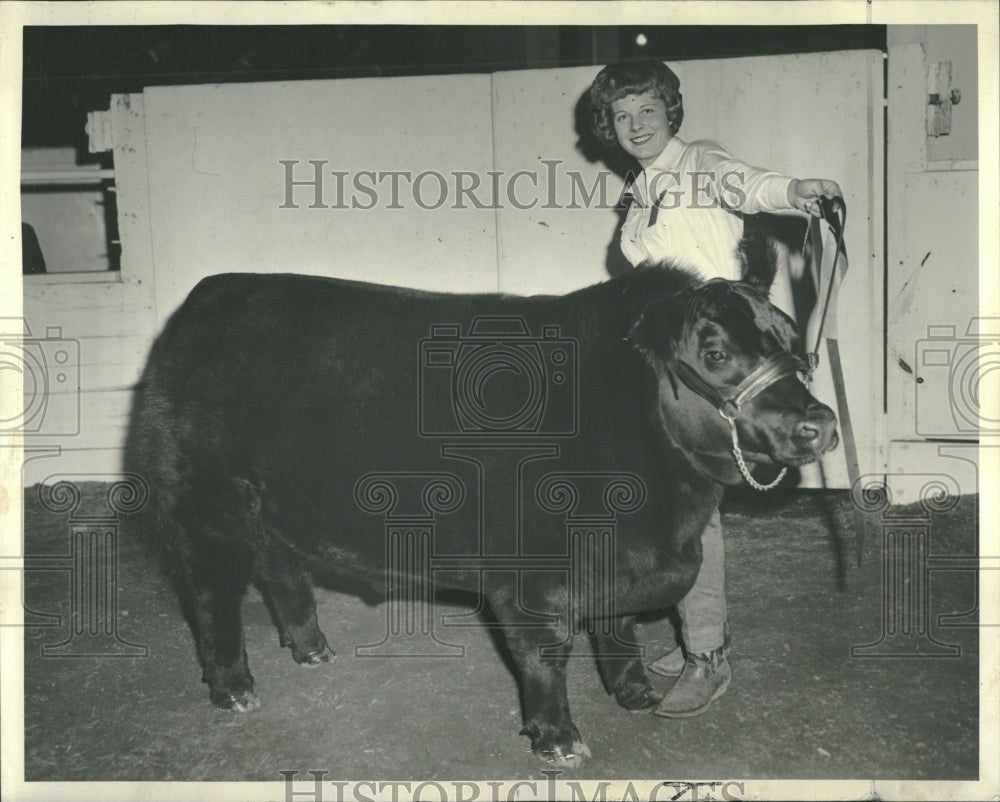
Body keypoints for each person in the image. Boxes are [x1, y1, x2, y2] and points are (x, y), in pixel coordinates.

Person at [588, 59, 841, 718]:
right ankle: (699, 636)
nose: (636, 125)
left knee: (692, 506)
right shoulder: (641, 193)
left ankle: (708, 658)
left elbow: (747, 184)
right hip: (688, 361)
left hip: (729, 355)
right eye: (623, 115)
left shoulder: (700, 161)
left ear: (670, 111)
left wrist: (795, 191)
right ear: (609, 127)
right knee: (679, 501)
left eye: (647, 110)